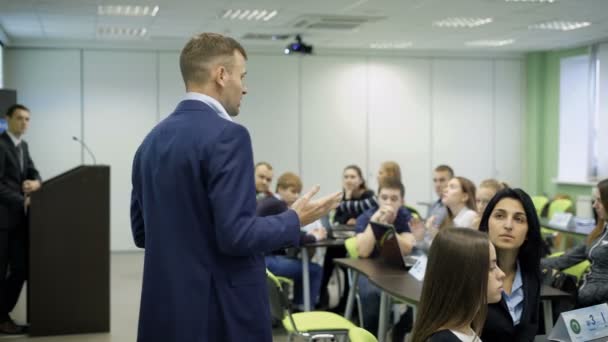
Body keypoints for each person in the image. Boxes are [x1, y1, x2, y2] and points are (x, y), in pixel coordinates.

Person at [130, 33, 341, 342]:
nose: (245, 87)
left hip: (166, 311)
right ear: (221, 75)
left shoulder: (150, 143)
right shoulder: (229, 136)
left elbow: (142, 232)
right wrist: (294, 219)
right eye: (242, 76)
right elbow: (237, 236)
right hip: (219, 313)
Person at [411, 228, 505, 342]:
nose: (502, 274)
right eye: (491, 267)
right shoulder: (445, 339)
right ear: (463, 277)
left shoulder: (465, 331)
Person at [478, 188, 543, 342]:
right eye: (500, 216)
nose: (508, 225)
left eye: (519, 219)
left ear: (528, 232)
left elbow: (530, 330)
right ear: (487, 224)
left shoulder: (532, 275)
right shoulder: (471, 272)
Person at [354, 177, 416, 335]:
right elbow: (363, 251)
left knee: (427, 290)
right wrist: (375, 223)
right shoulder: (366, 216)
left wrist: (388, 228)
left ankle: (400, 328)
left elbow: (408, 247)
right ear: (377, 199)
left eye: (394, 199)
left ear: (402, 201)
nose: (388, 202)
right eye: (384, 198)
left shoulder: (405, 216)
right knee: (371, 294)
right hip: (370, 268)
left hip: (398, 268)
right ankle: (373, 335)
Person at [0, 104, 41, 334]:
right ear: (8, 119)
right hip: (2, 223)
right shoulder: (1, 145)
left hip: (17, 223)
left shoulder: (22, 145)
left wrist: (36, 183)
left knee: (20, 269)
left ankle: (2, 314)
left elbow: (33, 172)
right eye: (19, 118)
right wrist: (21, 200)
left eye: (27, 119)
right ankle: (2, 318)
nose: (24, 123)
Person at [257, 172, 327, 307]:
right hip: (266, 261)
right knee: (314, 269)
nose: (296, 196)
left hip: (259, 258)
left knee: (301, 265)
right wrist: (314, 236)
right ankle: (303, 309)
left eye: (298, 192)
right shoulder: (278, 205)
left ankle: (298, 306)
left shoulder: (267, 201)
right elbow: (293, 234)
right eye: (292, 191)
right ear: (280, 189)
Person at [541, 178, 608, 308]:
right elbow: (565, 259)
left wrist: (580, 295)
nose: (594, 205)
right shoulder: (599, 231)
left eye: (599, 200)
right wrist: (528, 262)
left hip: (598, 305)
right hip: (585, 296)